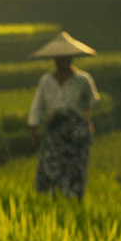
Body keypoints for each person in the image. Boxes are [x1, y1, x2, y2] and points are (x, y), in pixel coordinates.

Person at [26, 32, 100, 201]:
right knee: (50, 167)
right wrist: (33, 132)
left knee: (77, 167)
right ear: (55, 60)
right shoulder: (46, 81)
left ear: (71, 58)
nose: (64, 62)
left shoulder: (83, 79)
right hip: (55, 127)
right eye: (60, 59)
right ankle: (54, 200)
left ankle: (76, 199)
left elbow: (90, 103)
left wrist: (87, 121)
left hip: (77, 127)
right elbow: (37, 106)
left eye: (67, 58)